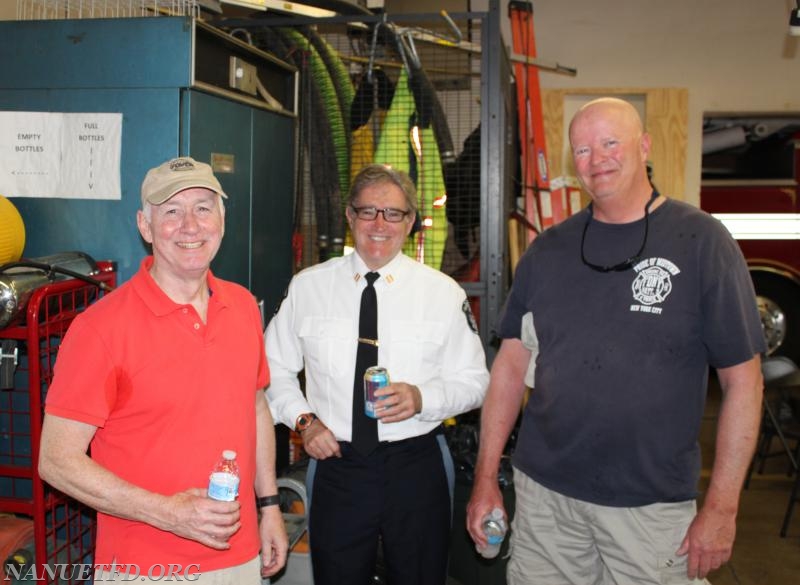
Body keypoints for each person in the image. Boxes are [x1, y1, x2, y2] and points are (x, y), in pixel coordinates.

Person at [467, 97, 765, 585]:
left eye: (610, 142)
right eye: (582, 150)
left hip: (650, 509)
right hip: (546, 502)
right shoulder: (548, 250)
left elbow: (744, 384)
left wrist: (722, 507)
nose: (596, 158)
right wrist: (485, 480)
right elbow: (510, 368)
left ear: (644, 146)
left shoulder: (703, 242)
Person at [38, 156, 288, 582]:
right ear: (145, 226)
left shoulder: (242, 306)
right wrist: (168, 513)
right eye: (171, 211)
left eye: (203, 208)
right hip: (146, 567)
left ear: (222, 221)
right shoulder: (100, 329)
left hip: (240, 558)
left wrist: (268, 506)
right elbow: (56, 461)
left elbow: (256, 407)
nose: (190, 225)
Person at [265, 163, 489, 585]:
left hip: (416, 462)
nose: (379, 224)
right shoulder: (308, 287)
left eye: (393, 214)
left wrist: (423, 398)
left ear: (411, 223)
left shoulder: (442, 293)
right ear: (349, 217)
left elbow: (475, 382)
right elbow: (271, 369)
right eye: (367, 212)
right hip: (336, 462)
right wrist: (304, 422)